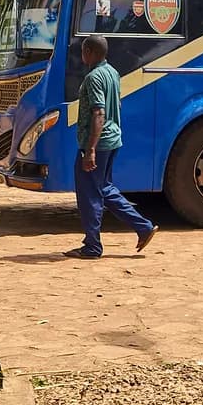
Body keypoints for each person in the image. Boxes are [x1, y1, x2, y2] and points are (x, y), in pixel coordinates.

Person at [66, 35, 156, 259]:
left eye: (84, 50)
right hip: (113, 138)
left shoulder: (94, 77)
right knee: (104, 188)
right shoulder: (112, 72)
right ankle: (143, 226)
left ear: (91, 52)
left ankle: (92, 246)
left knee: (89, 194)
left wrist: (91, 149)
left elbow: (98, 112)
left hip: (99, 141)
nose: (82, 55)